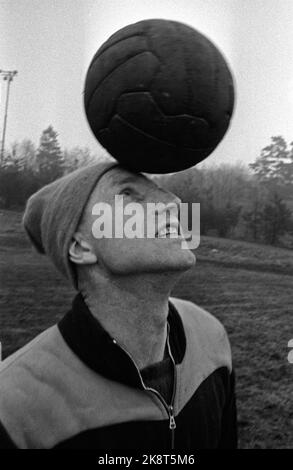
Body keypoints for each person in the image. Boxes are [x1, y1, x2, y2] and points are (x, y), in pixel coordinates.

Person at [0, 161, 237, 449]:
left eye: (161, 191)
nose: (173, 202)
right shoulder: (13, 406)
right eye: (128, 194)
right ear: (81, 246)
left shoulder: (211, 336)